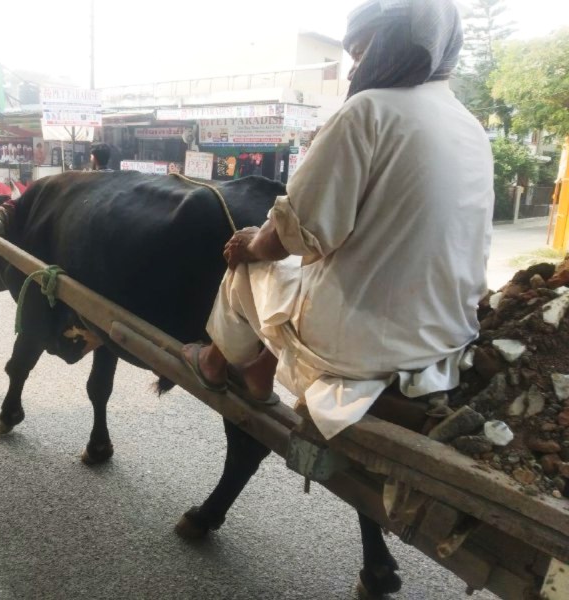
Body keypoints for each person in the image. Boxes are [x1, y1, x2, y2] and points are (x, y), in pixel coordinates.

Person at [181, 0, 494, 439]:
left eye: (362, 53)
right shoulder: (470, 126)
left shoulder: (368, 111)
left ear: (392, 47)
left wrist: (250, 242)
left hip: (358, 345)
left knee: (248, 265)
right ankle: (258, 370)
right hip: (445, 338)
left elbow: (290, 235)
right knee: (301, 278)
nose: (352, 72)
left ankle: (215, 363)